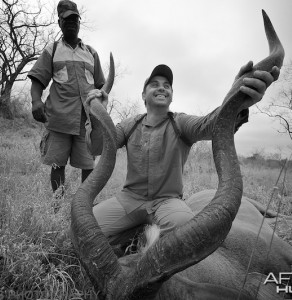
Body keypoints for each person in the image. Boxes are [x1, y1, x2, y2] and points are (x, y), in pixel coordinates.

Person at [85, 62, 279, 245]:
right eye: (154, 84)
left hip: (167, 202)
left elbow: (212, 124)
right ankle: (139, 233)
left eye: (167, 86)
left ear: (172, 96)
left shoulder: (181, 123)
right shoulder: (129, 124)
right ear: (143, 95)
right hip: (129, 200)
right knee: (85, 229)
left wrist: (237, 99)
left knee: (189, 237)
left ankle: (144, 234)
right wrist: (97, 114)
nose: (162, 88)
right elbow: (97, 147)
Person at [28, 0, 105, 206]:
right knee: (57, 164)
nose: (71, 23)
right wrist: (36, 101)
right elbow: (38, 79)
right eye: (67, 20)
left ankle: (84, 206)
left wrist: (101, 112)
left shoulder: (91, 53)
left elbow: (101, 86)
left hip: (86, 121)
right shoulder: (52, 50)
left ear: (79, 22)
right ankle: (57, 205)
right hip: (59, 119)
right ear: (60, 22)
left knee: (88, 164)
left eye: (75, 19)